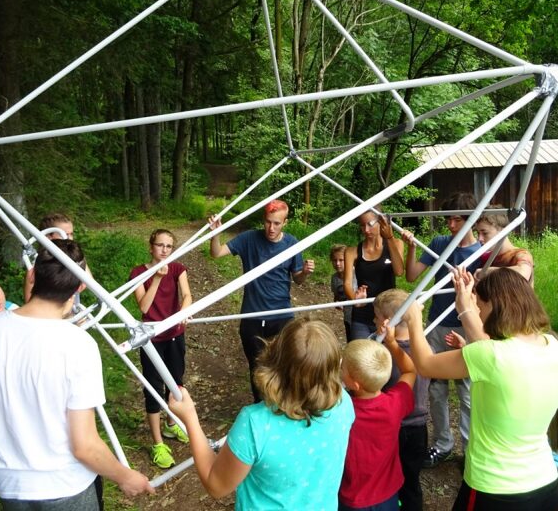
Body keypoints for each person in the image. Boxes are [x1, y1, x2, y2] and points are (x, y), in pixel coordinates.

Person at [0, 239, 154, 508]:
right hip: (65, 485)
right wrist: (125, 477)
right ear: (80, 286)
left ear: (32, 275)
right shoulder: (78, 344)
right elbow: (84, 446)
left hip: (10, 486)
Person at [404, 267, 558, 510]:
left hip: (495, 486)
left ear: (496, 307)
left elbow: (424, 364)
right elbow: (495, 352)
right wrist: (465, 304)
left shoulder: (490, 355)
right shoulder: (551, 344)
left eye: (482, 307)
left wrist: (413, 320)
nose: (480, 313)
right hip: (545, 480)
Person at [168, 317, 354, 510]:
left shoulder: (255, 424)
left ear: (276, 360)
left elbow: (215, 485)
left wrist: (190, 417)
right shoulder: (343, 402)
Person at [403, 191, 480, 468]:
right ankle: (442, 444)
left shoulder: (483, 251)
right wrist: (412, 247)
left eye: (457, 220)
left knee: (467, 393)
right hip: (436, 324)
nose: (451, 225)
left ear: (472, 220)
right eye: (448, 219)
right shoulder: (439, 243)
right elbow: (412, 275)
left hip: (466, 327)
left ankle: (470, 451)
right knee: (436, 391)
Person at [209, 200, 314, 402]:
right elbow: (216, 253)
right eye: (268, 222)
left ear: (285, 222)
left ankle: (283, 405)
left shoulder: (292, 243)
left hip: (281, 316)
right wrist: (215, 234)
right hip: (252, 315)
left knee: (283, 366)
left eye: (277, 223)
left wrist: (305, 272)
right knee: (257, 367)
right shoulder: (249, 238)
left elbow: (298, 280)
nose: (271, 228)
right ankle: (260, 407)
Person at [130, 228, 192, 470]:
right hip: (151, 339)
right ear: (151, 247)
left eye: (169, 246)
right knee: (154, 388)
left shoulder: (177, 269)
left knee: (175, 383)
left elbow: (186, 295)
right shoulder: (138, 273)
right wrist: (156, 278)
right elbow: (144, 307)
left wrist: (183, 311)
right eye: (160, 245)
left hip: (175, 335)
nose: (164, 250)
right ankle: (158, 443)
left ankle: (171, 424)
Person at [339, 323, 416, 510]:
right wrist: (392, 343)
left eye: (342, 369)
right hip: (388, 495)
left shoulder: (340, 410)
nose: (340, 370)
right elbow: (410, 370)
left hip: (352, 498)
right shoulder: (395, 403)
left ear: (355, 384)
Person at [374, 289, 430, 511]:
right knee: (411, 481)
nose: (373, 321)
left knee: (389, 478)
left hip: (392, 427)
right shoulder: (426, 349)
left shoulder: (383, 355)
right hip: (418, 428)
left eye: (376, 317)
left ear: (387, 322)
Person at [343, 208, 404, 340]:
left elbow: (399, 271)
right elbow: (347, 284)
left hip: (387, 314)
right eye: (362, 225)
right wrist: (355, 300)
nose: (366, 230)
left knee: (386, 352)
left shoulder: (396, 243)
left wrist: (389, 238)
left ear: (381, 222)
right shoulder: (352, 252)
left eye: (370, 224)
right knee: (361, 352)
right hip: (362, 315)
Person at [23, 212, 89, 304]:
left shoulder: (74, 256)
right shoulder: (38, 265)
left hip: (73, 308)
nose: (69, 239)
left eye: (71, 234)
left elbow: (87, 282)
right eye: (64, 234)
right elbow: (29, 303)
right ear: (48, 236)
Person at [474, 205, 534, 284]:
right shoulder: (488, 258)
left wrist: (487, 271)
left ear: (503, 231)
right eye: (478, 233)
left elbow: (523, 273)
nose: (479, 239)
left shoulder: (521, 254)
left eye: (485, 233)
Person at [329, 244, 354, 342]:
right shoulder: (334, 278)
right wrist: (337, 303)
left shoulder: (358, 274)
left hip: (362, 318)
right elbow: (337, 297)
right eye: (334, 260)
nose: (338, 263)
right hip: (348, 317)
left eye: (341, 260)